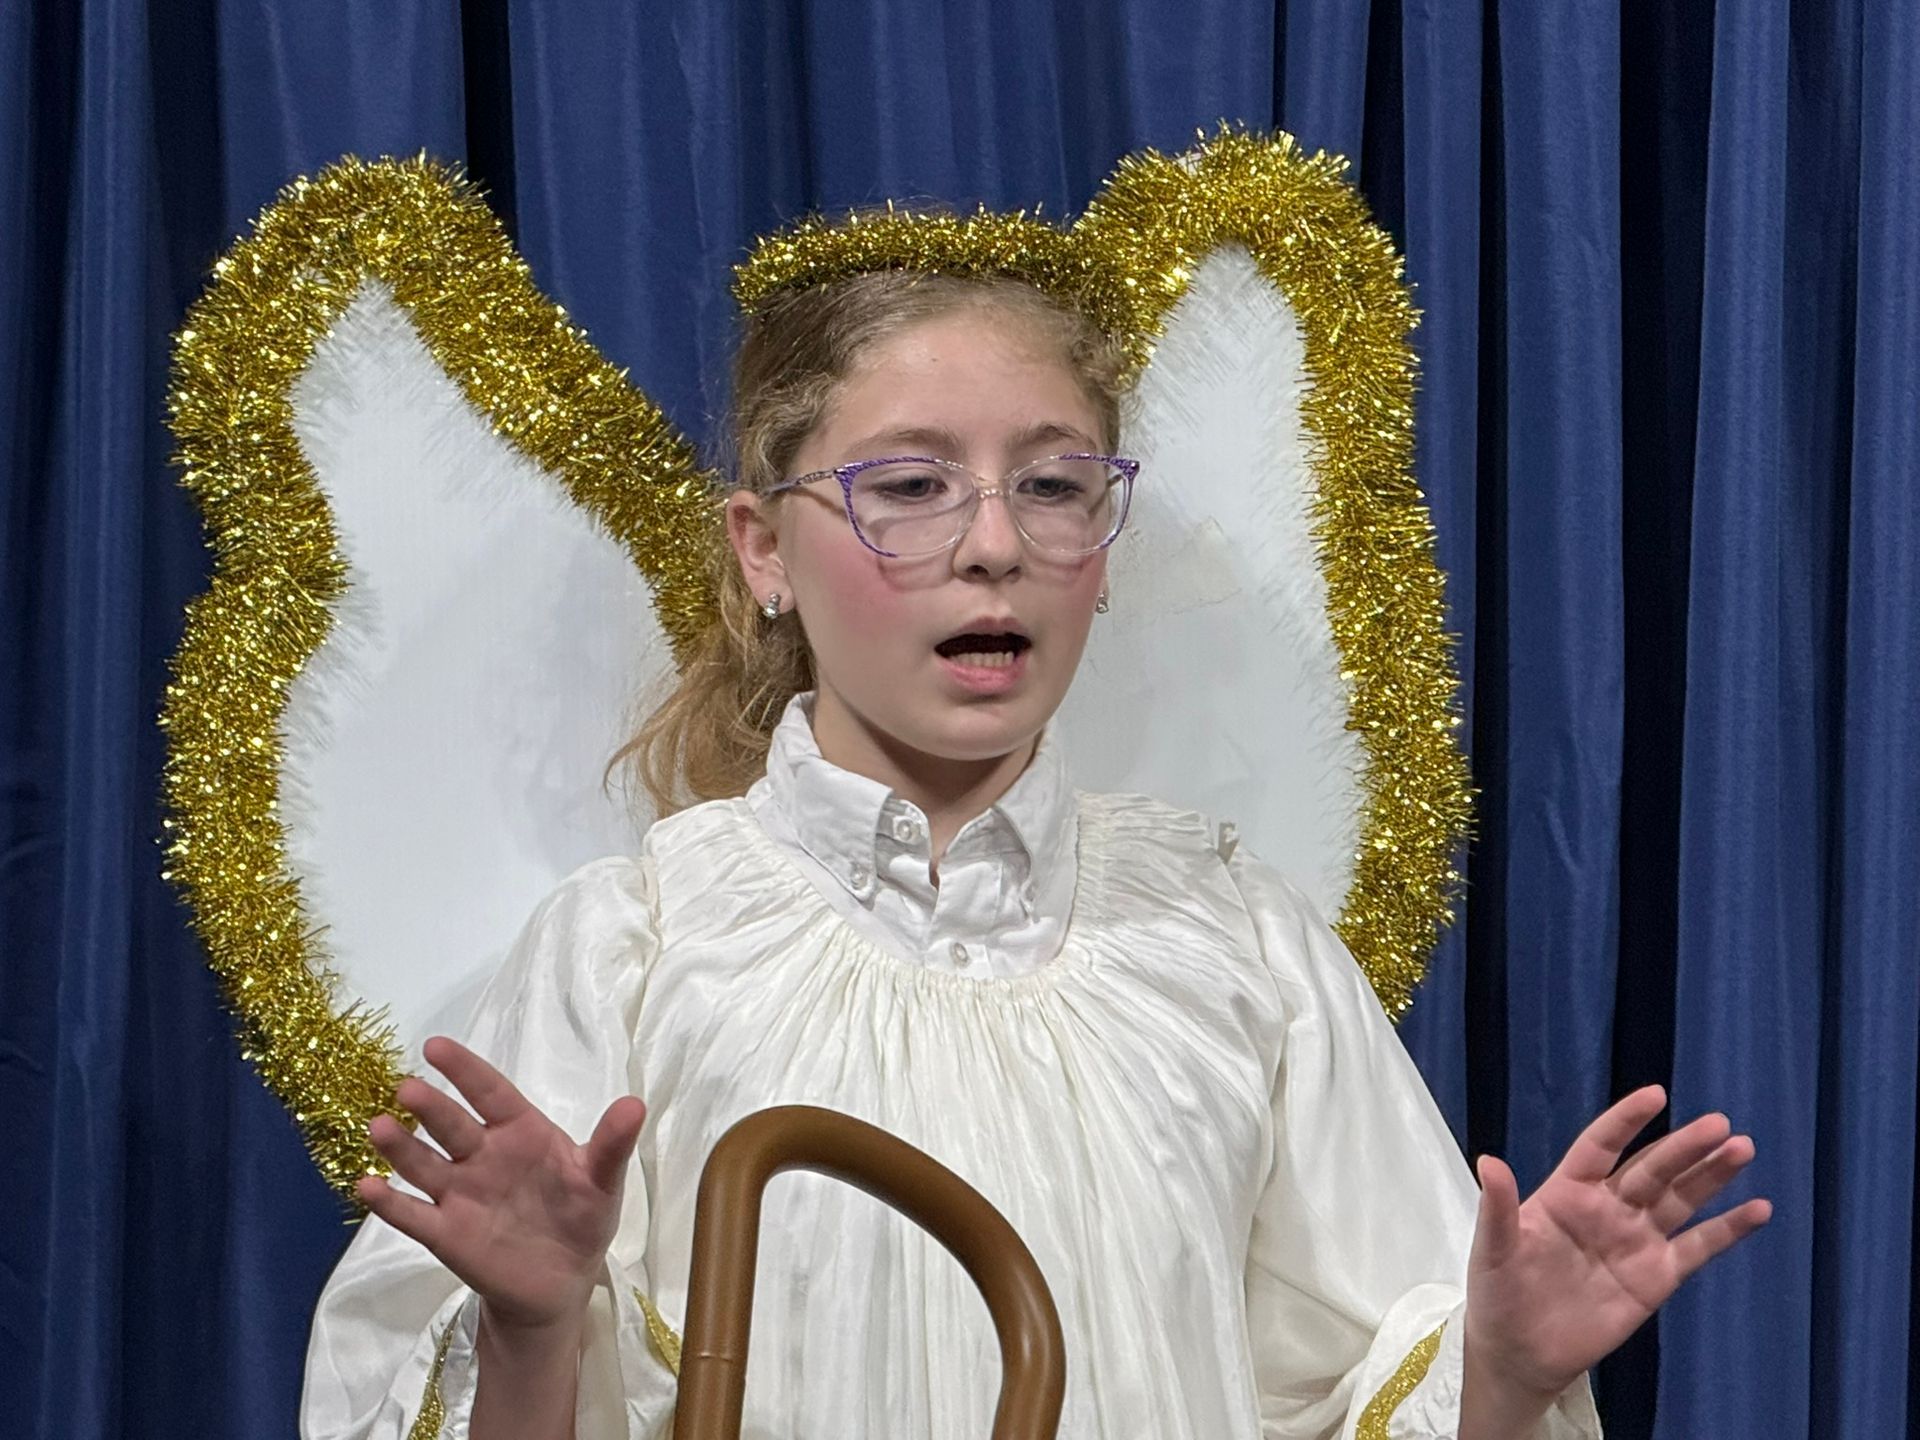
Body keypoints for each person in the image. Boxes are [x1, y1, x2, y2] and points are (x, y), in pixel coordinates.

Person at [301, 265, 1770, 1440]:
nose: (994, 543)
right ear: (763, 551)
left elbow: (1348, 1388)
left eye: (1056, 486)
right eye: (909, 486)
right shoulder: (636, 949)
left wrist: (1499, 1377)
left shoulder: (1236, 944)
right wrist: (534, 1328)